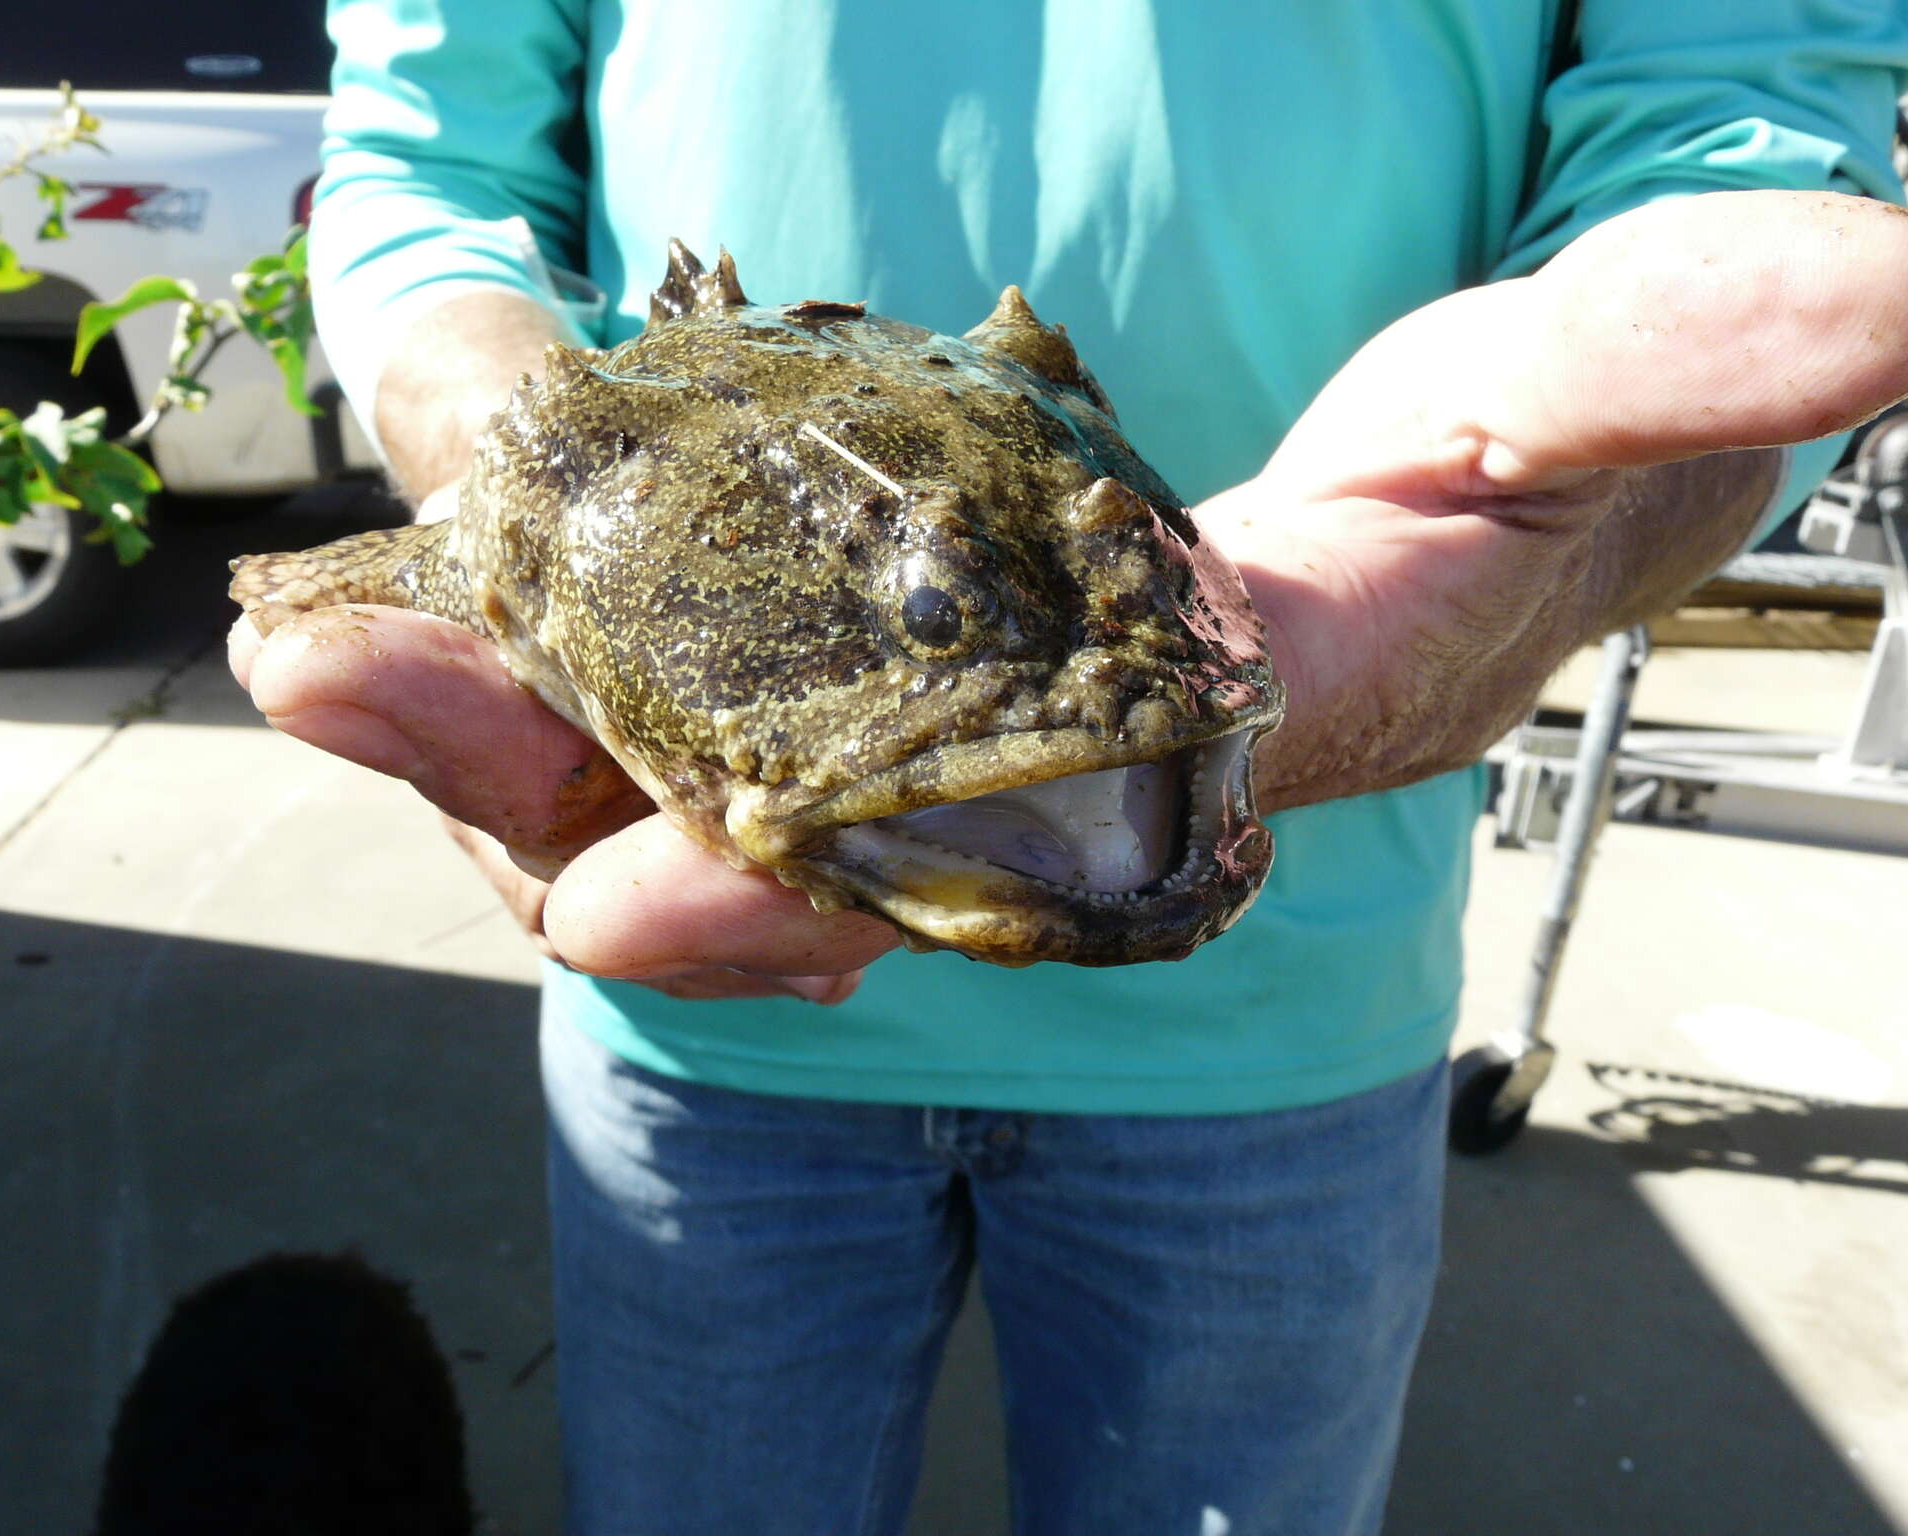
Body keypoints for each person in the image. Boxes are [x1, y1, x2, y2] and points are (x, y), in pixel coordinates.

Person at [230, 4, 1908, 1531]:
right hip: (697, 1050)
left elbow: (1735, 135)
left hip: (1297, 1025)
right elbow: (423, 158)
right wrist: (504, 474)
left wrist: (1581, 516)